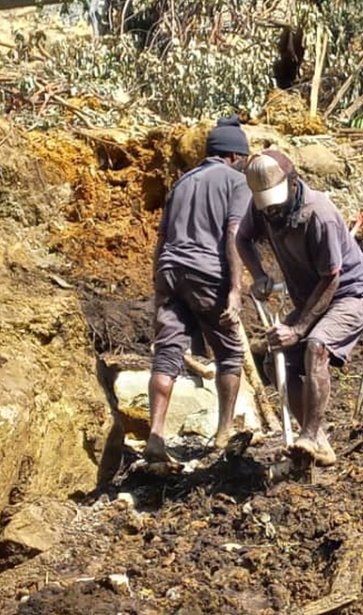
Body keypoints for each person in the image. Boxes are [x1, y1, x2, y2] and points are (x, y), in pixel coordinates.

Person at [239, 149, 363, 466]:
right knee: (276, 363)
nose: (272, 213)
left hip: (350, 293)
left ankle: (310, 435)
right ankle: (316, 442)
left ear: (293, 183)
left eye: (276, 204)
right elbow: (242, 238)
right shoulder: (263, 207)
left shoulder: (320, 214)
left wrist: (299, 329)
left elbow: (331, 279)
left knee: (315, 346)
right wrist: (259, 274)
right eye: (267, 206)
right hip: (311, 298)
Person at [146, 116, 251, 464]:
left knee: (166, 354)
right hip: (207, 272)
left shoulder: (181, 183)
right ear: (235, 156)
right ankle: (223, 434)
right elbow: (234, 233)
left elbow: (161, 240)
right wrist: (235, 289)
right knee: (230, 352)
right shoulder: (237, 182)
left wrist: (159, 286)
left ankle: (156, 436)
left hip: (169, 271)